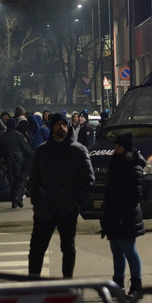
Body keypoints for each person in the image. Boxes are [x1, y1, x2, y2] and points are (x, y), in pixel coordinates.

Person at [27, 112, 95, 278]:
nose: (61, 127)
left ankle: (67, 282)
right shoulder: (42, 150)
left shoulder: (78, 150)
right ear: (52, 127)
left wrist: (78, 202)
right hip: (45, 208)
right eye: (58, 124)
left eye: (64, 124)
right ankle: (32, 283)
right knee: (37, 248)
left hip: (68, 207)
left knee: (68, 247)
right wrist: (36, 199)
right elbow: (33, 178)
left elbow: (89, 180)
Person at [100, 132, 146, 295]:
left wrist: (121, 214)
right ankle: (117, 283)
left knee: (128, 249)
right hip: (114, 214)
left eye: (118, 146)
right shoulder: (116, 162)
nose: (115, 148)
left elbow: (134, 196)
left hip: (126, 216)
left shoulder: (133, 166)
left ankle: (136, 285)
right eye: (115, 145)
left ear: (125, 147)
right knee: (116, 251)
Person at [0, 118, 33, 208]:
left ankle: (14, 201)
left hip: (8, 160)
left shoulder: (3, 137)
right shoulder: (19, 136)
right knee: (21, 179)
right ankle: (18, 196)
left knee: (12, 180)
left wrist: (3, 159)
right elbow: (27, 149)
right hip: (19, 160)